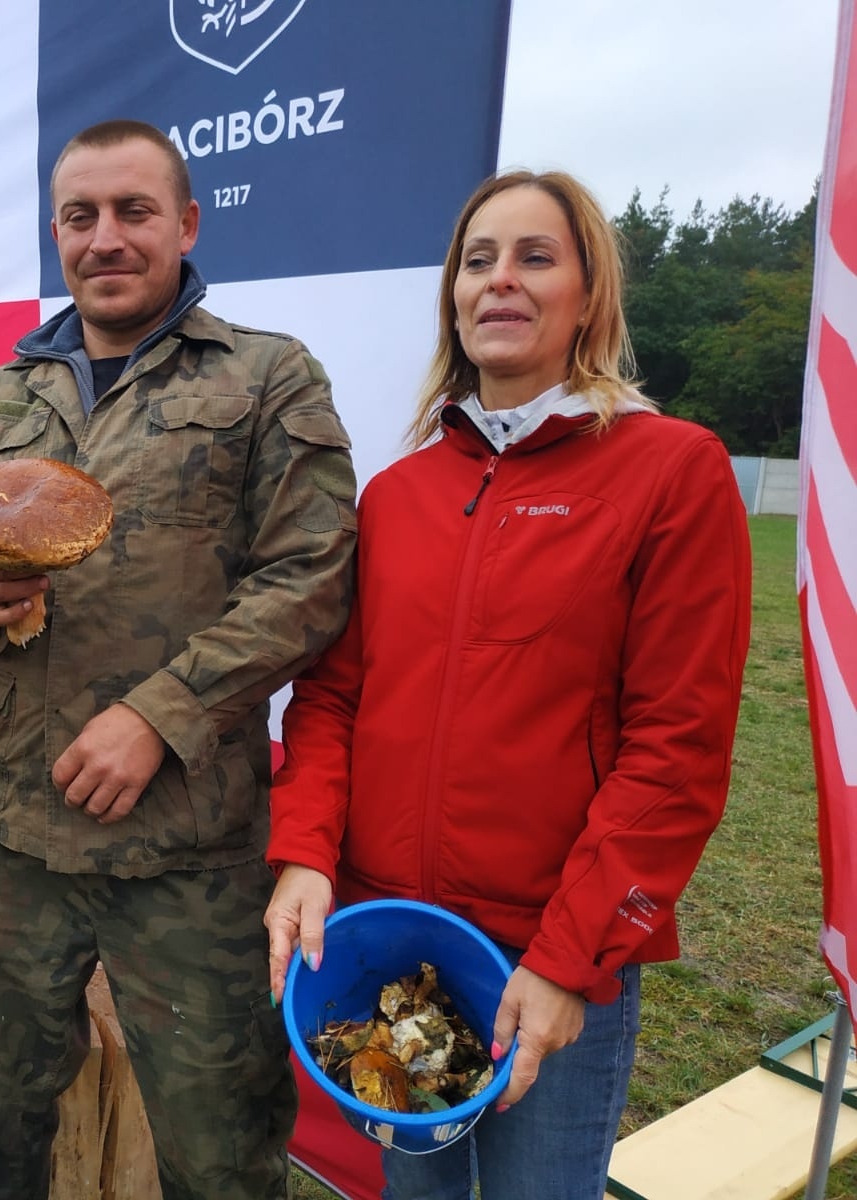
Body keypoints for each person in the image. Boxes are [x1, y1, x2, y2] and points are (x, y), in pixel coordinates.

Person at [264, 170, 752, 1199]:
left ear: (589, 292)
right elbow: (333, 697)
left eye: (535, 257)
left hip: (543, 954)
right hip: (385, 939)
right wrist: (304, 851)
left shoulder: (671, 469)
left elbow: (676, 749)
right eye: (477, 261)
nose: (500, 281)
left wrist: (569, 959)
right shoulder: (398, 494)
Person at [0, 119, 359, 1200]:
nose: (105, 237)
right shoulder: (0, 396)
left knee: (219, 1143)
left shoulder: (264, 378)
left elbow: (311, 579)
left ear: (187, 224)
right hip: (11, 831)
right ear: (57, 233)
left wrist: (160, 713)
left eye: (133, 211)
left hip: (185, 851)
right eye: (80, 216)